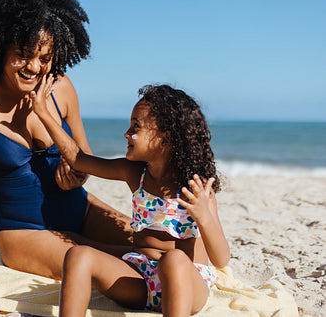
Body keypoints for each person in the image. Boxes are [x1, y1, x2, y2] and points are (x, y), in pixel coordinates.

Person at [0, 0, 132, 293]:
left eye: (45, 58)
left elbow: (86, 160)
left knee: (155, 245)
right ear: (0, 44)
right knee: (127, 266)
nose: (34, 67)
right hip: (23, 233)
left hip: (80, 210)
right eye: (23, 55)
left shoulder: (62, 88)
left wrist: (77, 176)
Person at [31, 81, 231, 316]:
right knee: (78, 255)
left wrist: (203, 216)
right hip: (141, 278)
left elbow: (221, 258)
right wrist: (43, 113)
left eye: (136, 127)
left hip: (187, 283)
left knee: (174, 260)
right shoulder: (135, 173)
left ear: (165, 139)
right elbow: (78, 159)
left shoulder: (195, 189)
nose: (127, 133)